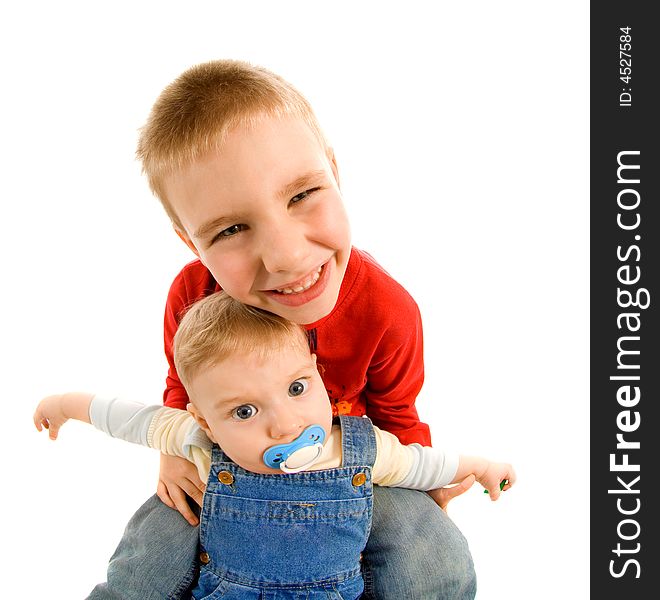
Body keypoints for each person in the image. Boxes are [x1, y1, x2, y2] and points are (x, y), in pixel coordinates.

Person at [69, 58, 479, 598]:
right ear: (192, 243)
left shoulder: (387, 310)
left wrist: (422, 485)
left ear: (333, 169)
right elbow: (183, 385)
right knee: (157, 543)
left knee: (429, 549)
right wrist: (172, 448)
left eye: (302, 195)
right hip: (232, 459)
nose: (286, 257)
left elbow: (398, 412)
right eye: (232, 229)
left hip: (349, 465)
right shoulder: (192, 298)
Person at [34, 292, 515, 599]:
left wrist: (479, 465)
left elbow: (420, 466)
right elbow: (124, 416)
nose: (285, 425)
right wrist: (63, 404)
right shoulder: (196, 441)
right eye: (244, 412)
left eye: (297, 389)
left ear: (317, 372)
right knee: (147, 550)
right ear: (206, 419)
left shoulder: (360, 449)